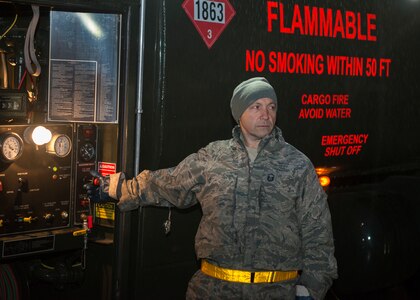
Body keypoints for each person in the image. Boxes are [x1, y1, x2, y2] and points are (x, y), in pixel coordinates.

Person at [88, 77, 338, 299]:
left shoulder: (297, 165)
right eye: (256, 107)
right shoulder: (213, 157)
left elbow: (318, 230)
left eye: (271, 107)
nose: (266, 114)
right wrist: (118, 188)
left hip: (276, 292)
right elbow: (168, 184)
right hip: (214, 289)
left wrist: (311, 288)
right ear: (239, 113)